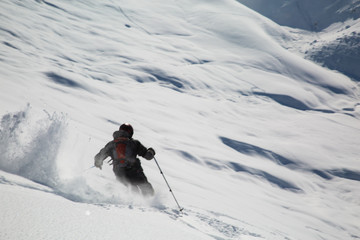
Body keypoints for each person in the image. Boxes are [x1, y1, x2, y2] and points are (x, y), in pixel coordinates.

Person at [94, 123, 155, 196]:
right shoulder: (134, 143)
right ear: (131, 133)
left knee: (133, 191)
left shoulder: (111, 144)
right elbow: (148, 156)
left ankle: (134, 204)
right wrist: (151, 151)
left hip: (119, 172)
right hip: (135, 171)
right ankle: (151, 204)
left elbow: (99, 157)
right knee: (146, 189)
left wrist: (98, 163)